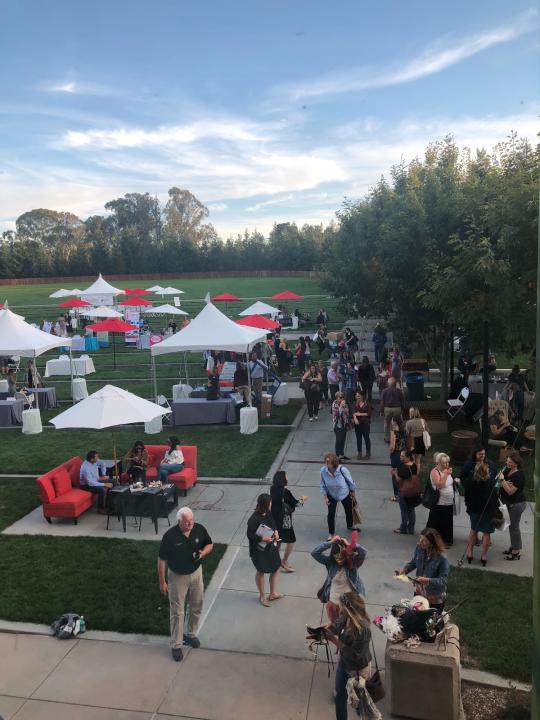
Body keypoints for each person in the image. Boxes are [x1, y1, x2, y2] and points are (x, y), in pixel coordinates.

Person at [158, 507, 213, 661]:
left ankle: (191, 634)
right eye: (186, 522)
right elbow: (162, 560)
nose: (190, 524)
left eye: (192, 520)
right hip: (177, 577)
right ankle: (176, 645)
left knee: (196, 605)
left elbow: (209, 544)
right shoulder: (169, 536)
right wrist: (162, 581)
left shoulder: (199, 529)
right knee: (177, 611)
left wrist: (202, 553)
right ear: (179, 522)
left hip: (196, 573)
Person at [324, 592, 372, 720]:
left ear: (349, 610)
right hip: (344, 664)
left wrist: (334, 640)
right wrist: (326, 630)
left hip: (357, 670)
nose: (338, 610)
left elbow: (354, 656)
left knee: (359, 705)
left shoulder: (363, 629)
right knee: (340, 697)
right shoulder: (345, 617)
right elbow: (336, 626)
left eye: (340, 607)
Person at [311, 535, 367, 623]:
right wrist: (330, 543)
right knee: (335, 626)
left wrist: (351, 545)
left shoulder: (352, 564)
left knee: (350, 626)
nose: (340, 559)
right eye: (337, 556)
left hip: (349, 603)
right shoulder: (330, 563)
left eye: (343, 555)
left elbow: (363, 552)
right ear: (333, 555)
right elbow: (314, 553)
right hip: (334, 601)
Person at [461, 450, 498, 565]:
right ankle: (484, 556)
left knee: (473, 530)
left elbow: (466, 491)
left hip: (474, 510)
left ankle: (470, 553)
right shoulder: (491, 482)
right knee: (486, 534)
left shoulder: (470, 481)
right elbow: (496, 493)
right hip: (487, 510)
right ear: (487, 471)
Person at [399, 528, 450, 611]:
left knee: (431, 622)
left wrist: (428, 580)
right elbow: (414, 562)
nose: (420, 542)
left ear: (432, 543)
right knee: (415, 616)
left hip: (434, 597)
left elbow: (443, 580)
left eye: (424, 540)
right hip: (419, 591)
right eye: (420, 538)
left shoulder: (442, 558)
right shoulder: (419, 548)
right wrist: (405, 569)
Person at [247, 493, 283, 606]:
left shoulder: (267, 513)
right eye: (270, 503)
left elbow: (273, 523)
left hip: (271, 547)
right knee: (261, 571)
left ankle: (273, 593)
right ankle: (262, 596)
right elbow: (250, 535)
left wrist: (276, 532)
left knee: (276, 568)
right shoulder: (253, 519)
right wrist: (262, 538)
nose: (271, 504)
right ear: (265, 504)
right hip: (259, 550)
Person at [270, 470, 308, 572]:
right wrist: (303, 499)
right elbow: (296, 504)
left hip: (275, 519)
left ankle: (275, 562)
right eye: (286, 476)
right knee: (291, 541)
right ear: (283, 479)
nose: (288, 478)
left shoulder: (273, 489)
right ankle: (284, 561)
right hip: (285, 521)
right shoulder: (286, 492)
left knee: (278, 541)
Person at [499, 450, 527, 561]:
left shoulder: (519, 476)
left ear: (516, 463)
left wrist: (503, 481)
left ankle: (516, 552)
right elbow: (499, 482)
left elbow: (510, 491)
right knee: (511, 526)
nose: (508, 463)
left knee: (514, 527)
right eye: (507, 461)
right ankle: (514, 547)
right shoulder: (508, 470)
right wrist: (504, 482)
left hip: (517, 504)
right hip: (509, 503)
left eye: (510, 462)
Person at [320, 453, 356, 538]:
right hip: (331, 495)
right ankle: (331, 534)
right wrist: (325, 497)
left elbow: (350, 481)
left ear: (334, 463)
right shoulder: (323, 471)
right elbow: (322, 485)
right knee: (331, 514)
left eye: (328, 462)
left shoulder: (342, 470)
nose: (326, 463)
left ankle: (350, 525)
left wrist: (353, 491)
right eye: (325, 461)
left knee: (349, 510)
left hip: (345, 494)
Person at [427, 453, 458, 547]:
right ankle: (434, 541)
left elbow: (449, 483)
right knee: (438, 523)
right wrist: (446, 474)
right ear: (438, 463)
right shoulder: (434, 472)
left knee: (447, 522)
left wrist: (455, 482)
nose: (447, 464)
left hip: (448, 502)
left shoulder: (446, 470)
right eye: (444, 463)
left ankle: (446, 540)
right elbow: (439, 485)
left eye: (448, 462)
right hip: (439, 502)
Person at [395, 450, 420, 535]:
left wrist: (395, 473)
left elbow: (399, 480)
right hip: (413, 491)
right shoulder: (414, 465)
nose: (400, 457)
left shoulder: (402, 467)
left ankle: (403, 528)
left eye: (402, 456)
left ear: (408, 457)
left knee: (404, 510)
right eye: (400, 456)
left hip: (404, 491)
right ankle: (411, 528)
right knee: (411, 509)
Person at [380, 377, 405, 442]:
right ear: (395, 384)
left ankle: (387, 439)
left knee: (386, 423)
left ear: (388, 383)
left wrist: (382, 411)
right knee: (399, 423)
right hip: (397, 409)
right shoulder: (399, 391)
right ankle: (400, 436)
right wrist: (402, 409)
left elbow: (382, 403)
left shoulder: (384, 391)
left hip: (387, 409)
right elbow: (402, 401)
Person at [389, 416, 407, 501]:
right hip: (403, 453)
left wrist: (390, 451)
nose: (392, 423)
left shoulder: (394, 431)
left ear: (395, 422)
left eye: (393, 421)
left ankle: (396, 495)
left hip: (396, 454)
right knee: (402, 473)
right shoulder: (405, 430)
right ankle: (403, 492)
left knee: (394, 474)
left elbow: (392, 445)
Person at [352, 391, 371, 460]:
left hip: (365, 424)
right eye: (356, 396)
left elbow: (369, 413)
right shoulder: (355, 403)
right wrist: (355, 419)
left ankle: (368, 453)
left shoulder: (367, 403)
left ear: (362, 396)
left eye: (358, 396)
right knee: (358, 439)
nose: (357, 397)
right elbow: (353, 412)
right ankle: (359, 453)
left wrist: (360, 414)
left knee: (366, 438)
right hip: (357, 424)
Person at [332, 392, 350, 460]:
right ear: (337, 398)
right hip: (337, 425)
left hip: (344, 424)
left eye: (342, 397)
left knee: (343, 440)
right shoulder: (334, 404)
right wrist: (341, 407)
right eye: (341, 397)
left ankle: (341, 454)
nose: (342, 399)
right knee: (338, 440)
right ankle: (337, 456)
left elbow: (347, 413)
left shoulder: (344, 403)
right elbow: (337, 415)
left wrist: (344, 407)